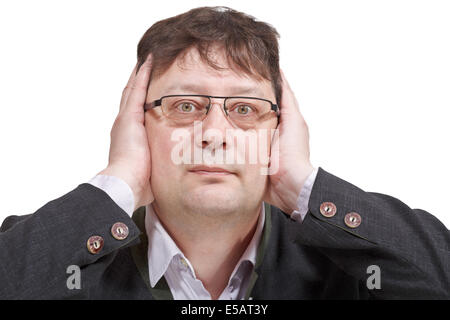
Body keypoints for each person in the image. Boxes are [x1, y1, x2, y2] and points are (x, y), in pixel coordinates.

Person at [0, 6, 448, 300]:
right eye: (185, 106)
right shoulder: (62, 250)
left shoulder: (351, 263)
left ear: (281, 129)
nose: (214, 133)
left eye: (245, 109)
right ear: (136, 125)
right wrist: (116, 185)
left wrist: (305, 186)